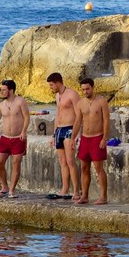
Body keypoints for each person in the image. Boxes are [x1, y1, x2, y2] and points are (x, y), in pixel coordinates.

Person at [0, 80, 30, 199]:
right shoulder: (1, 105)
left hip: (18, 138)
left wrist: (24, 131)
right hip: (5, 138)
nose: (1, 92)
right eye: (1, 90)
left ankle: (11, 191)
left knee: (16, 164)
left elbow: (27, 117)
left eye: (4, 90)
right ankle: (4, 187)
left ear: (11, 90)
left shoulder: (20, 101)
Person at [74, 78, 110, 205]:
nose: (85, 91)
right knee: (84, 167)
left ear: (93, 88)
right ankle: (84, 195)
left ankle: (103, 196)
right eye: (83, 89)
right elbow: (78, 122)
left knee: (98, 168)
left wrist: (104, 138)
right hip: (85, 138)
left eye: (87, 89)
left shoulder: (101, 102)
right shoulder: (80, 103)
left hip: (97, 137)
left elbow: (106, 121)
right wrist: (73, 138)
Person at [47, 72, 81, 201]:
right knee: (62, 162)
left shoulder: (72, 94)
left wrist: (77, 134)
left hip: (70, 129)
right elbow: (58, 114)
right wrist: (53, 134)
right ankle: (65, 189)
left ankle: (76, 191)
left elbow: (79, 115)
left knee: (71, 161)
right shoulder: (57, 96)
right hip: (59, 130)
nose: (51, 87)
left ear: (58, 83)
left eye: (51, 85)